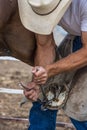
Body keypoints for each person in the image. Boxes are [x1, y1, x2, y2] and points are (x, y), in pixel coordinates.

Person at [18, 0, 87, 130]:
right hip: (79, 36)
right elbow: (44, 45)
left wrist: (50, 70)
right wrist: (39, 82)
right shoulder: (39, 3)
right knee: (45, 95)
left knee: (80, 105)